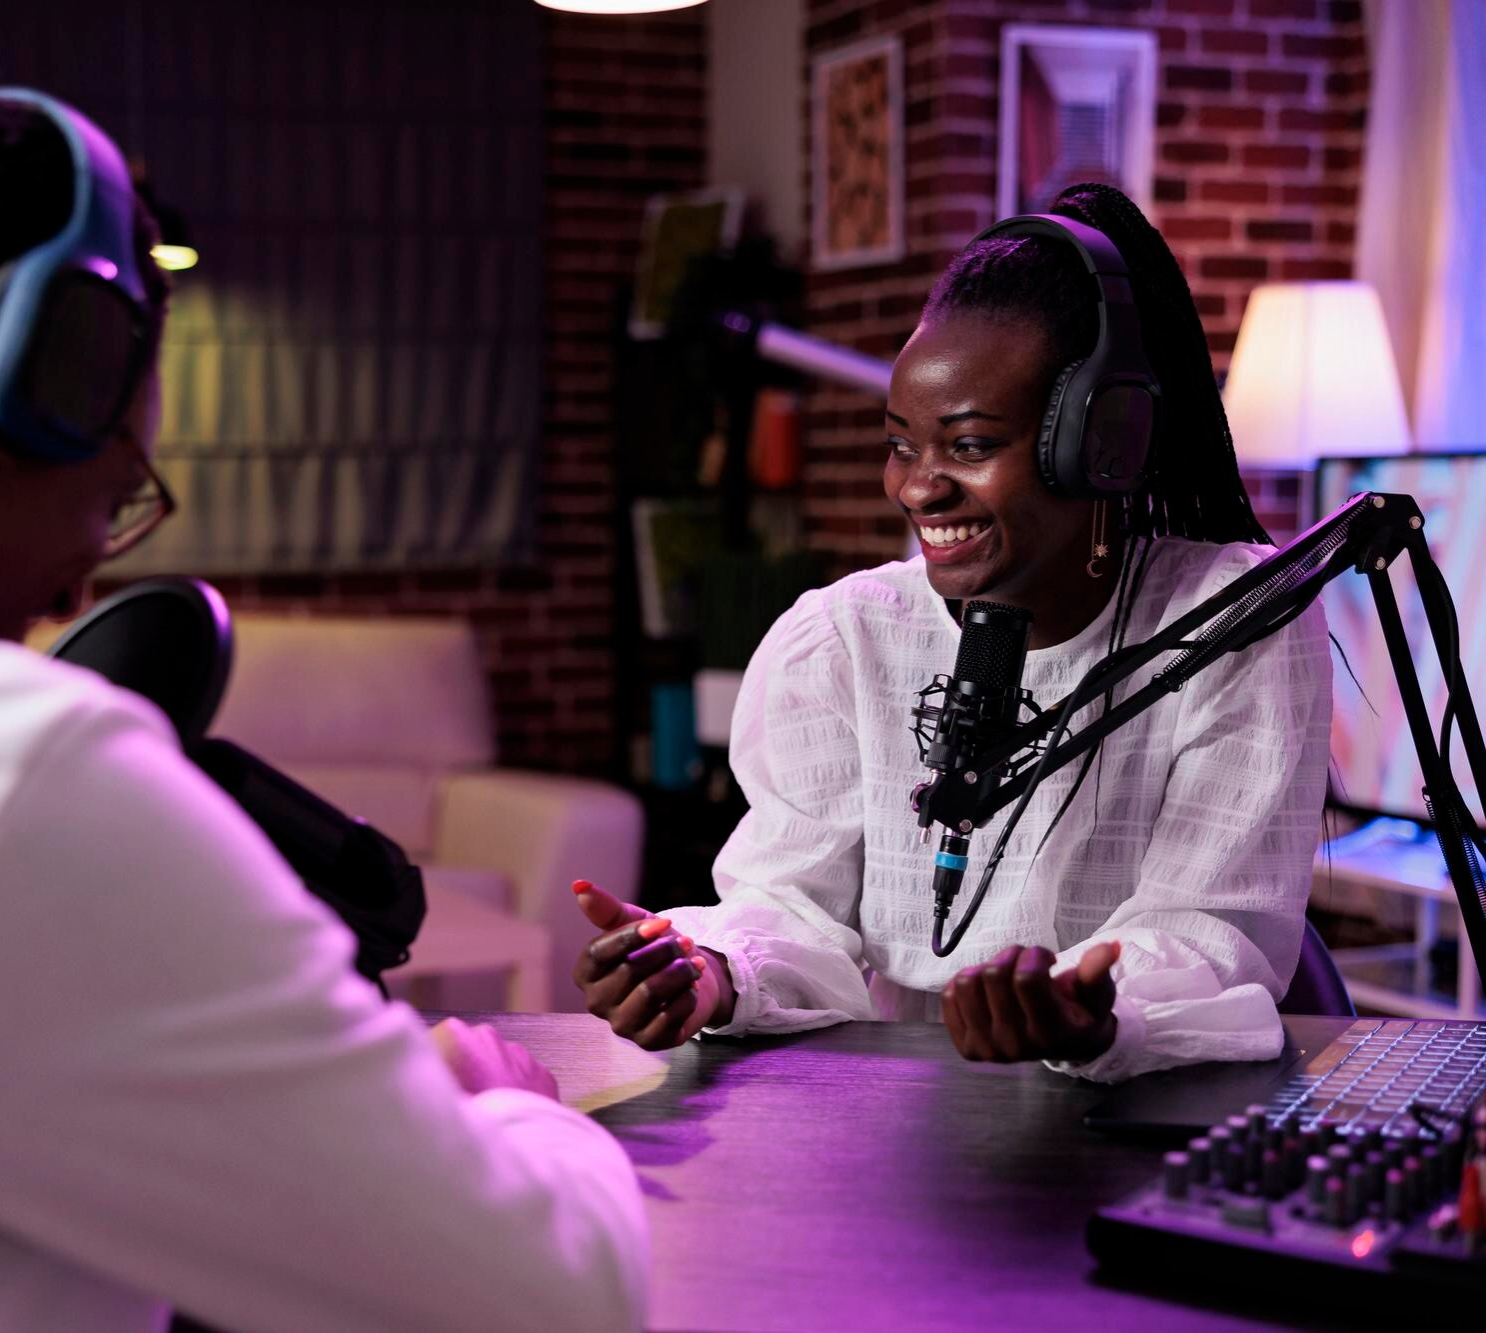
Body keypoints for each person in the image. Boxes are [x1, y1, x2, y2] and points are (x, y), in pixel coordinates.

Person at [0, 90, 647, 1331]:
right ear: (52, 371)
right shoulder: (45, 770)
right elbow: (547, 1299)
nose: (85, 581)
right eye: (118, 486)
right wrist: (502, 1101)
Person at [573, 182, 1333, 1084]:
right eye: (903, 443)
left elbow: (1210, 929)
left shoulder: (1232, 623)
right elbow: (794, 907)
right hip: (898, 1132)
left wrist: (1082, 1007)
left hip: (1133, 1117)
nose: (917, 488)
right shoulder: (845, 636)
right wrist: (711, 972)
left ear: (1102, 444)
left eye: (968, 447)